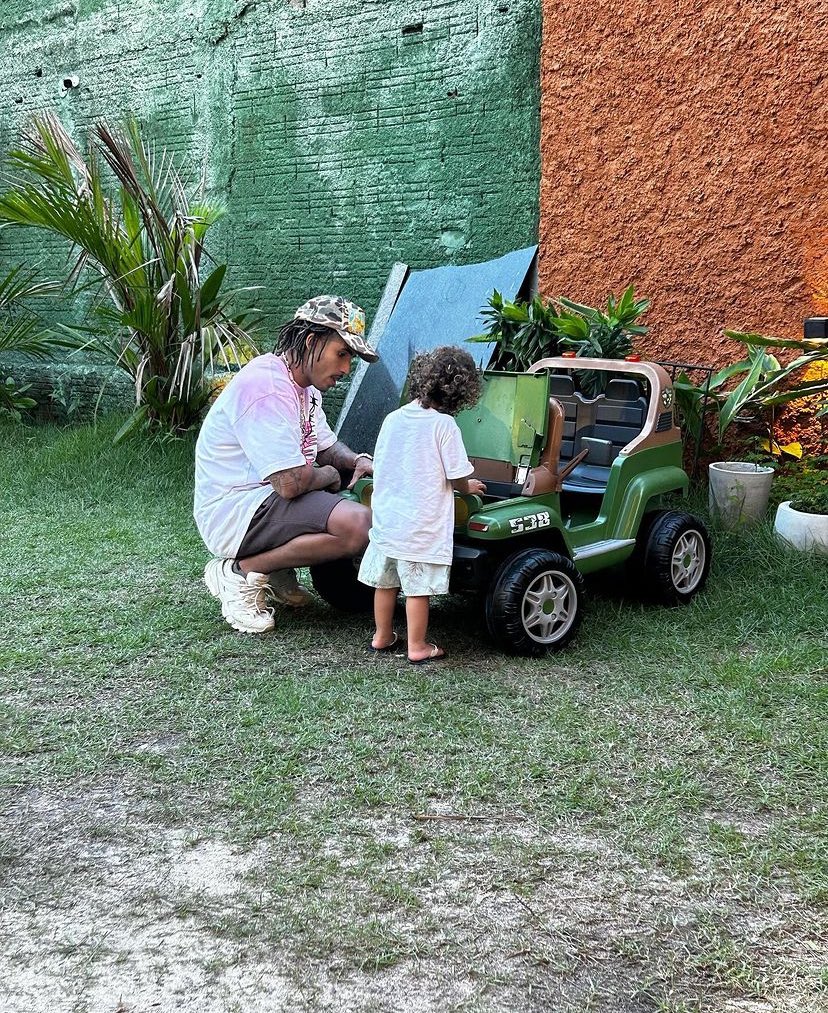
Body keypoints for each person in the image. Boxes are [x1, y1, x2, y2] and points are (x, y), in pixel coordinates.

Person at [194, 295, 378, 634]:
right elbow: (291, 483)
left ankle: (274, 569)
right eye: (342, 354)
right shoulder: (265, 387)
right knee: (357, 524)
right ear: (311, 341)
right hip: (237, 511)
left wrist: (355, 461)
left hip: (266, 503)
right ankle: (240, 571)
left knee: (347, 504)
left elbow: (324, 445)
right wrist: (332, 476)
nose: (345, 369)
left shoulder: (304, 388)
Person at [358, 346, 486, 664]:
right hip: (420, 525)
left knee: (385, 584)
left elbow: (385, 463)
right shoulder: (444, 426)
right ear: (460, 393)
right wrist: (467, 487)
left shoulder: (393, 419)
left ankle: (382, 635)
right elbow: (457, 476)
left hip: (389, 521)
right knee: (417, 590)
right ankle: (417, 646)